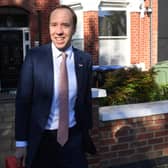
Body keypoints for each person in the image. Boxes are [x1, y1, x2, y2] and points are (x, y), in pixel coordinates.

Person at [15, 5, 96, 168]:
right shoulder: (34, 57)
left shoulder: (84, 60)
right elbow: (23, 101)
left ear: (74, 29)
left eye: (65, 25)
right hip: (42, 140)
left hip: (74, 139)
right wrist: (21, 143)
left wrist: (86, 131)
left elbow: (85, 99)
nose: (58, 31)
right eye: (54, 25)